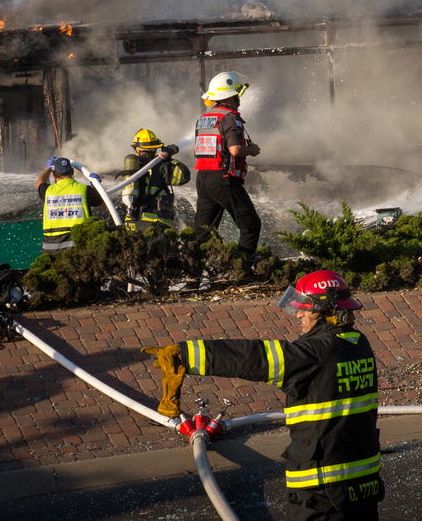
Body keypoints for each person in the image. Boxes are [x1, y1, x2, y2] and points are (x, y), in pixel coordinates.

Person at [143, 270, 383, 520]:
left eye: (305, 308)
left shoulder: (313, 354)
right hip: (363, 483)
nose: (298, 314)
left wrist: (185, 355)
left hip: (322, 490)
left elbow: (254, 357)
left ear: (326, 310)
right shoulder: (358, 344)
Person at [191, 71, 262, 254]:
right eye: (238, 94)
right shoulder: (230, 117)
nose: (239, 98)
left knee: (203, 233)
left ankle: (194, 270)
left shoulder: (204, 119)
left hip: (203, 179)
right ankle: (243, 266)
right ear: (231, 96)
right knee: (250, 225)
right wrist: (252, 150)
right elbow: (235, 150)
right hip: (223, 179)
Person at [116, 128, 186, 236]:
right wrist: (168, 156)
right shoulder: (162, 165)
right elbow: (184, 176)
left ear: (136, 149)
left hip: (132, 222)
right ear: (154, 149)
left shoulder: (132, 167)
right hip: (156, 224)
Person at [35, 156, 106, 252]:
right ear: (72, 172)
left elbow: (40, 182)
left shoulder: (47, 191)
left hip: (51, 248)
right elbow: (103, 204)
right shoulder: (85, 190)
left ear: (54, 175)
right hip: (78, 247)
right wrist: (97, 186)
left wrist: (47, 168)